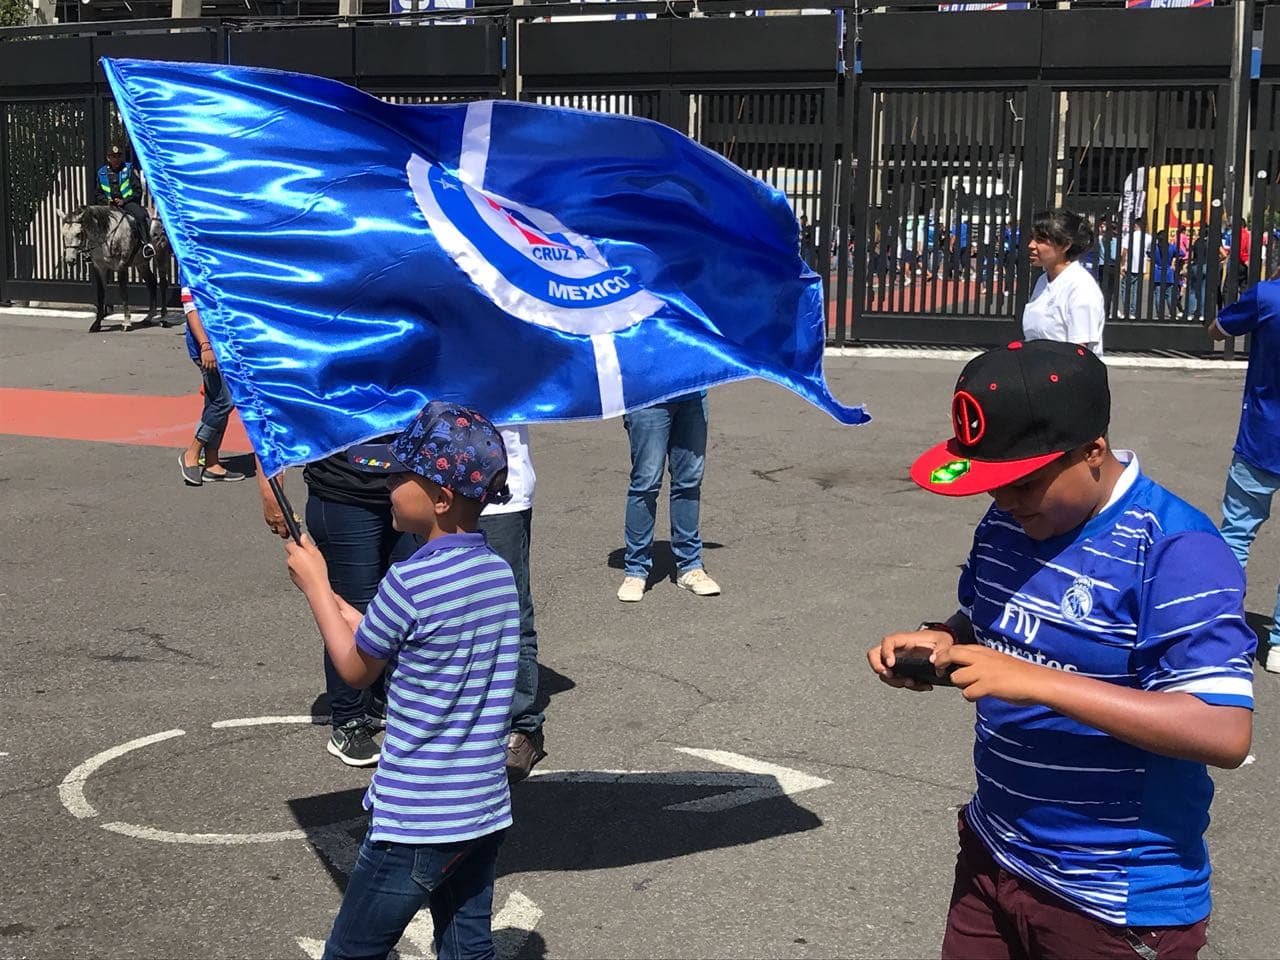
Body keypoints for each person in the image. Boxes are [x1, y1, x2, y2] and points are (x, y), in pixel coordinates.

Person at [870, 339, 1255, 960]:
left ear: (1092, 452)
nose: (1005, 502)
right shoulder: (1009, 522)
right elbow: (987, 619)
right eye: (992, 485)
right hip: (995, 851)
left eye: (1023, 483)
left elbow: (1223, 731)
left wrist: (1035, 681)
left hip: (1110, 898)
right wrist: (943, 639)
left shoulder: (1176, 549)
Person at [285, 400, 518, 960]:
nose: (388, 484)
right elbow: (405, 639)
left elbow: (357, 669)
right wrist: (344, 608)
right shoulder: (497, 573)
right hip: (482, 807)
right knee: (467, 948)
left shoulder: (409, 581)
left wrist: (317, 587)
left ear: (439, 498)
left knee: (351, 952)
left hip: (417, 817)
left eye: (401, 475)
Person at [260, 445, 421, 766]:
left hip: (407, 488)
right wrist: (269, 484)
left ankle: (380, 698)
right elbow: (273, 405)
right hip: (342, 493)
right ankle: (347, 718)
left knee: (405, 604)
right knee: (352, 606)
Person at [1212, 279, 1280, 673]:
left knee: (1237, 531)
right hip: (1261, 436)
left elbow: (1220, 328)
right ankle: (1277, 645)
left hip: (1262, 435)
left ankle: (1221, 627)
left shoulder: (1267, 296)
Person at [477, 426, 548, 782]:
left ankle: (523, 726)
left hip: (499, 495)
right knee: (448, 610)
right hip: (436, 485)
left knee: (510, 613)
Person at [617, 392, 720, 602]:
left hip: (692, 392)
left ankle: (690, 566)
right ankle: (636, 570)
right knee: (646, 484)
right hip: (647, 395)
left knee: (689, 482)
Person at [177, 286, 245, 486]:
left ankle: (213, 463)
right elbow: (191, 309)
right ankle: (192, 452)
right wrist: (205, 345)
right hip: (207, 346)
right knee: (226, 400)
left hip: (226, 345)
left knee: (215, 401)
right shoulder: (191, 262)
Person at [1019, 209, 1105, 355]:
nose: (1031, 245)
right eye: (1032, 238)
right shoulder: (1043, 281)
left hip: (1064, 375)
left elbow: (1079, 353)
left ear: (1065, 245)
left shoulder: (1081, 287)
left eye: (1040, 240)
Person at [95, 145, 154, 259]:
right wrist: (107, 201)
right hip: (109, 206)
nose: (116, 159)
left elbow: (137, 190)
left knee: (140, 216)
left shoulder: (129, 169)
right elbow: (98, 194)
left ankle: (147, 245)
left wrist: (124, 201)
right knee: (92, 218)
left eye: (118, 156)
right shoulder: (102, 173)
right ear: (108, 158)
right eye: (113, 157)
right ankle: (91, 251)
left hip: (127, 203)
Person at [1148, 229, 1183, 321]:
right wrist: (1174, 261)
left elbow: (1148, 254)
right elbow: (1182, 253)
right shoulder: (1171, 247)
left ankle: (1159, 314)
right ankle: (1172, 313)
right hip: (1168, 272)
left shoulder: (1154, 247)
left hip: (1157, 272)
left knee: (1158, 295)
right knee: (1169, 295)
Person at [1120, 222, 1151, 319]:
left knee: (1125, 288)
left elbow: (1124, 251)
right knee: (1136, 290)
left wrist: (1122, 264)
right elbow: (1150, 251)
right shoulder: (1148, 237)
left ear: (1136, 225)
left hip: (1129, 265)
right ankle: (1133, 312)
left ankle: (1127, 311)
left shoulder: (1129, 236)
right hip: (1141, 266)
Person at [1093, 218, 1120, 317]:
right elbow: (1113, 256)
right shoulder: (1115, 241)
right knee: (1110, 291)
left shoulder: (1100, 240)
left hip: (1101, 265)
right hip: (1112, 266)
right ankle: (1107, 311)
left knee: (1102, 289)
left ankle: (1101, 310)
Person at [1185, 227, 1209, 322]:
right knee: (1203, 291)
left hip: (1195, 266)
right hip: (1205, 266)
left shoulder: (1196, 242)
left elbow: (1191, 255)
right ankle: (1202, 314)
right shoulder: (1208, 243)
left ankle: (1189, 314)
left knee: (1192, 291)